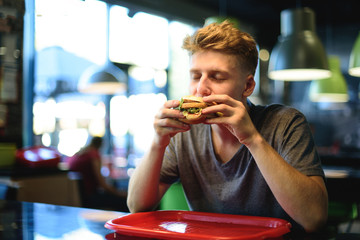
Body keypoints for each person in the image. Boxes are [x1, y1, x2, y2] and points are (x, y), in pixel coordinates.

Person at [127, 21, 328, 234]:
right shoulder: (184, 133)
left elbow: (314, 218)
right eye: (195, 76)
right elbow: (137, 206)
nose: (200, 89)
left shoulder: (285, 123)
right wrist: (158, 143)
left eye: (216, 76)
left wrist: (252, 138)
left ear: (248, 86)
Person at [68, 136, 128, 211]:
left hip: (79, 196)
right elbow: (102, 184)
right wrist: (120, 194)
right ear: (101, 145)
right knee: (124, 202)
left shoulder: (79, 154)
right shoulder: (93, 154)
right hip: (90, 197)